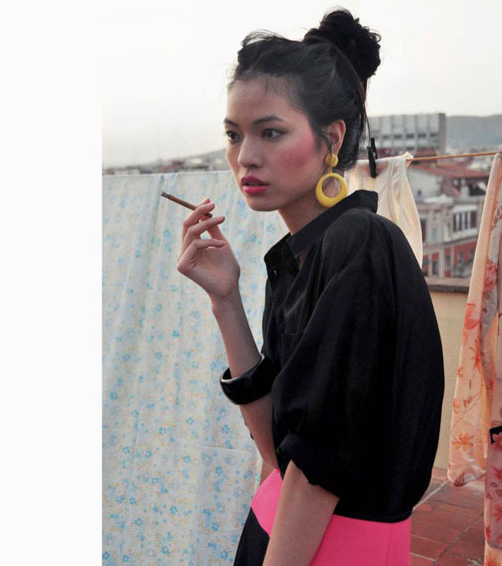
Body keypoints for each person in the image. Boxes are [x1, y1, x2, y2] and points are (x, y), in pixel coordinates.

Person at [176, 9, 444, 566]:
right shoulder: (298, 257)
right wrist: (225, 298)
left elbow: (318, 470)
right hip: (281, 531)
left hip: (330, 547)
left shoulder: (360, 243)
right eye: (233, 135)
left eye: (270, 132)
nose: (245, 156)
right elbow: (280, 452)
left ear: (331, 138)